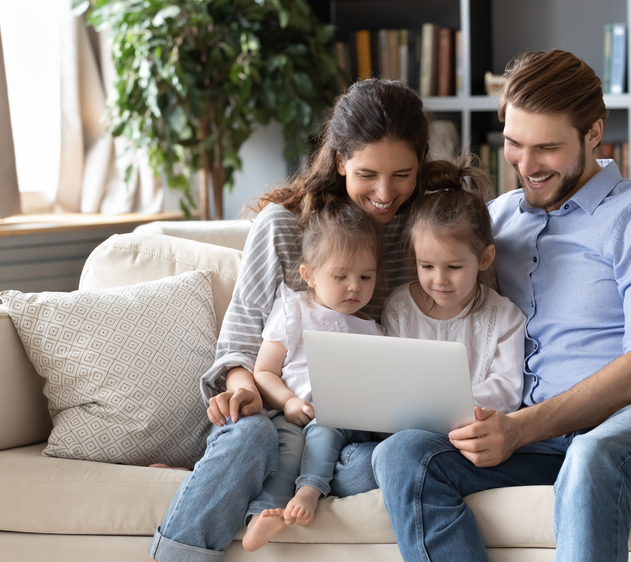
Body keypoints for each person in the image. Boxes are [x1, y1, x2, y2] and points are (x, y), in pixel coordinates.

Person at [372, 49, 631, 562]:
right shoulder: (496, 221)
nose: (527, 165)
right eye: (514, 145)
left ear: (593, 133)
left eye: (547, 148)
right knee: (403, 454)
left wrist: (519, 428)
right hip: (546, 439)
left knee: (592, 452)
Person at [149, 78, 430, 562]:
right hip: (277, 412)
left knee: (383, 464)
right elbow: (236, 347)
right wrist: (244, 387)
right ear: (340, 160)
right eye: (367, 174)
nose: (386, 194)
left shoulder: (426, 234)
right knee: (255, 437)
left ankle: (245, 483)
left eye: (402, 175)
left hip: (353, 433)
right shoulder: (284, 227)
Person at [240, 194, 384, 551]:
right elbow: (264, 372)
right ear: (310, 276)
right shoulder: (294, 310)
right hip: (292, 412)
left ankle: (308, 492)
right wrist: (288, 403)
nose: (355, 286)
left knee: (324, 433)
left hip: (342, 419)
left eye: (366, 276)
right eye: (341, 276)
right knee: (286, 450)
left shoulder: (372, 328)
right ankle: (264, 514)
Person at [381, 156, 525, 414]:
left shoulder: (505, 317)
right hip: (409, 427)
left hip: (472, 435)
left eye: (454, 267)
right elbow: (390, 381)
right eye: (426, 266)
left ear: (485, 258)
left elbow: (506, 392)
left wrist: (439, 406)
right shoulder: (399, 309)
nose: (439, 280)